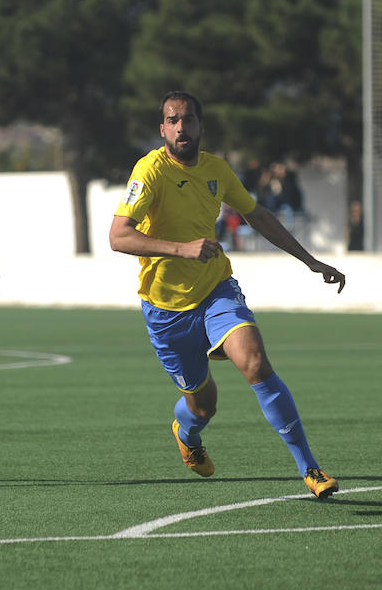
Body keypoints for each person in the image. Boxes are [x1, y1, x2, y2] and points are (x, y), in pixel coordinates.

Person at [109, 91, 345, 499]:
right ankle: (186, 432)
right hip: (166, 309)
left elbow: (257, 215)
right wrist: (182, 248)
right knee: (203, 405)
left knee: (255, 362)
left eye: (188, 119)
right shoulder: (149, 172)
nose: (181, 126)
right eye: (172, 120)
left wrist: (310, 260)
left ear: (201, 125)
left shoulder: (217, 169)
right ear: (162, 128)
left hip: (216, 289)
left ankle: (310, 468)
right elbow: (119, 236)